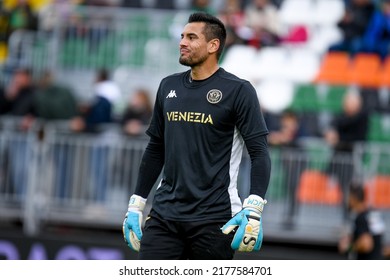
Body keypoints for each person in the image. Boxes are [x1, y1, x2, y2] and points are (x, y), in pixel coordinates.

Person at [122, 12, 271, 260]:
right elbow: (156, 147)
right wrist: (137, 203)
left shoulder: (239, 90)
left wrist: (254, 207)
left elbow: (259, 152)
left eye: (191, 37)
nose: (182, 42)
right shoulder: (168, 86)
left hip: (215, 218)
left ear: (213, 45)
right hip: (164, 215)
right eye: (182, 36)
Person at [324, 88, 368, 218]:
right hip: (339, 160)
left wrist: (338, 137)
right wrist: (332, 133)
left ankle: (353, 220)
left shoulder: (362, 117)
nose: (348, 105)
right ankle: (347, 219)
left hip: (353, 161)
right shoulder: (341, 115)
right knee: (344, 192)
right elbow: (334, 123)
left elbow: (357, 136)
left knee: (352, 193)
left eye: (351, 102)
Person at [338, 182, 385, 259]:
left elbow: (366, 244)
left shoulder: (361, 217)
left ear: (353, 198)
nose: (347, 201)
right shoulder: (374, 213)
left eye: (348, 197)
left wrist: (348, 247)